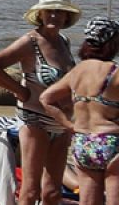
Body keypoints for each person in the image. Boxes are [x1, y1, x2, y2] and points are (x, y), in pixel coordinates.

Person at [0, 0, 81, 205]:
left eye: (59, 11)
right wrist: (19, 91)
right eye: (49, 11)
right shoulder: (31, 41)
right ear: (40, 14)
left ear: (67, 16)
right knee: (30, 189)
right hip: (35, 120)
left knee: (52, 192)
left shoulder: (63, 41)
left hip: (61, 123)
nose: (54, 15)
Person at [39, 18, 119, 205]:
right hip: (111, 141)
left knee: (89, 201)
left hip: (83, 142)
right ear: (112, 43)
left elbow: (46, 99)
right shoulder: (114, 72)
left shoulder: (77, 71)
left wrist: (69, 125)